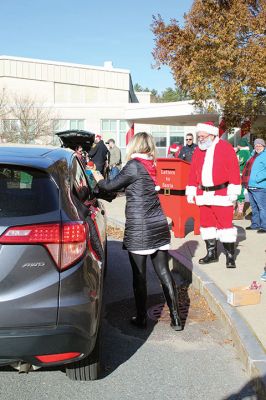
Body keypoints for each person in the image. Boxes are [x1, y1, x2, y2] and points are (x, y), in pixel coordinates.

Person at [92, 132, 182, 331]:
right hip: (158, 223)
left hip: (140, 227)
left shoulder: (134, 165)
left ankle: (142, 318)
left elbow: (110, 185)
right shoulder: (152, 165)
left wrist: (98, 177)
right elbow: (131, 187)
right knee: (164, 272)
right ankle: (176, 318)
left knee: (139, 276)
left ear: (134, 146)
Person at [186, 121, 241, 268]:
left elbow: (234, 170)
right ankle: (211, 254)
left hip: (222, 194)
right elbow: (193, 173)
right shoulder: (198, 150)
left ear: (212, 135)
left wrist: (234, 191)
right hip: (203, 194)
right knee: (207, 225)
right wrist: (191, 190)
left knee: (226, 226)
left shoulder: (225, 147)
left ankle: (230, 256)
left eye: (203, 136)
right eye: (199, 136)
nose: (200, 139)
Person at [242, 138, 266, 233]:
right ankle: (255, 224)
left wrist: (258, 178)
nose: (258, 147)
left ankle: (264, 226)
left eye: (260, 145)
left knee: (262, 207)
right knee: (254, 207)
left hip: (260, 186)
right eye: (256, 145)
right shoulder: (252, 156)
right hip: (250, 185)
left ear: (264, 146)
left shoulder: (264, 156)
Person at [233, 137, 251, 220]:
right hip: (237, 175)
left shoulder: (244, 152)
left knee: (239, 193)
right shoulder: (245, 151)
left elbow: (238, 162)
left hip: (240, 175)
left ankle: (239, 212)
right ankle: (236, 211)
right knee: (236, 192)